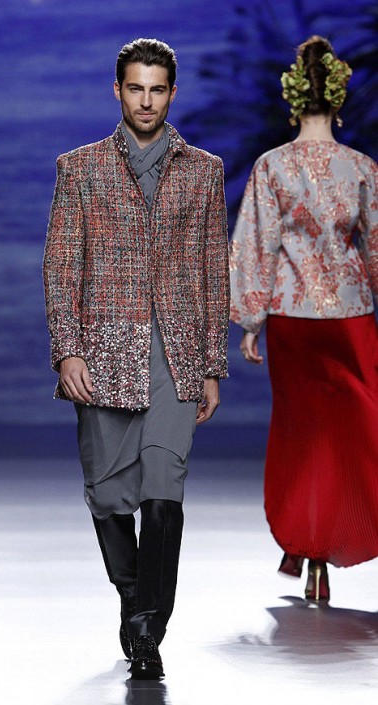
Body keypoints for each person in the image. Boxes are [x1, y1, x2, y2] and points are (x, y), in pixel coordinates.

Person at [43, 38, 229, 678]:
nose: (146, 101)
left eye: (157, 89)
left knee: (163, 483)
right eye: (135, 88)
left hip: (176, 353)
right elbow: (60, 268)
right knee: (107, 493)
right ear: (117, 91)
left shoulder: (203, 171)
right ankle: (133, 600)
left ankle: (150, 625)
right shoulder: (80, 168)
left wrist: (211, 365)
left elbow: (213, 271)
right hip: (103, 352)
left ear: (172, 93)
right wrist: (67, 351)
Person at [230, 35, 378, 602]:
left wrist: (251, 320)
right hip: (350, 316)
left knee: (302, 431)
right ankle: (341, 535)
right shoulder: (361, 168)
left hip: (292, 318)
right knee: (356, 429)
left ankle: (308, 548)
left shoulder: (272, 168)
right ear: (338, 102)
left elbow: (257, 245)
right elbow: (375, 252)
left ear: (293, 103)